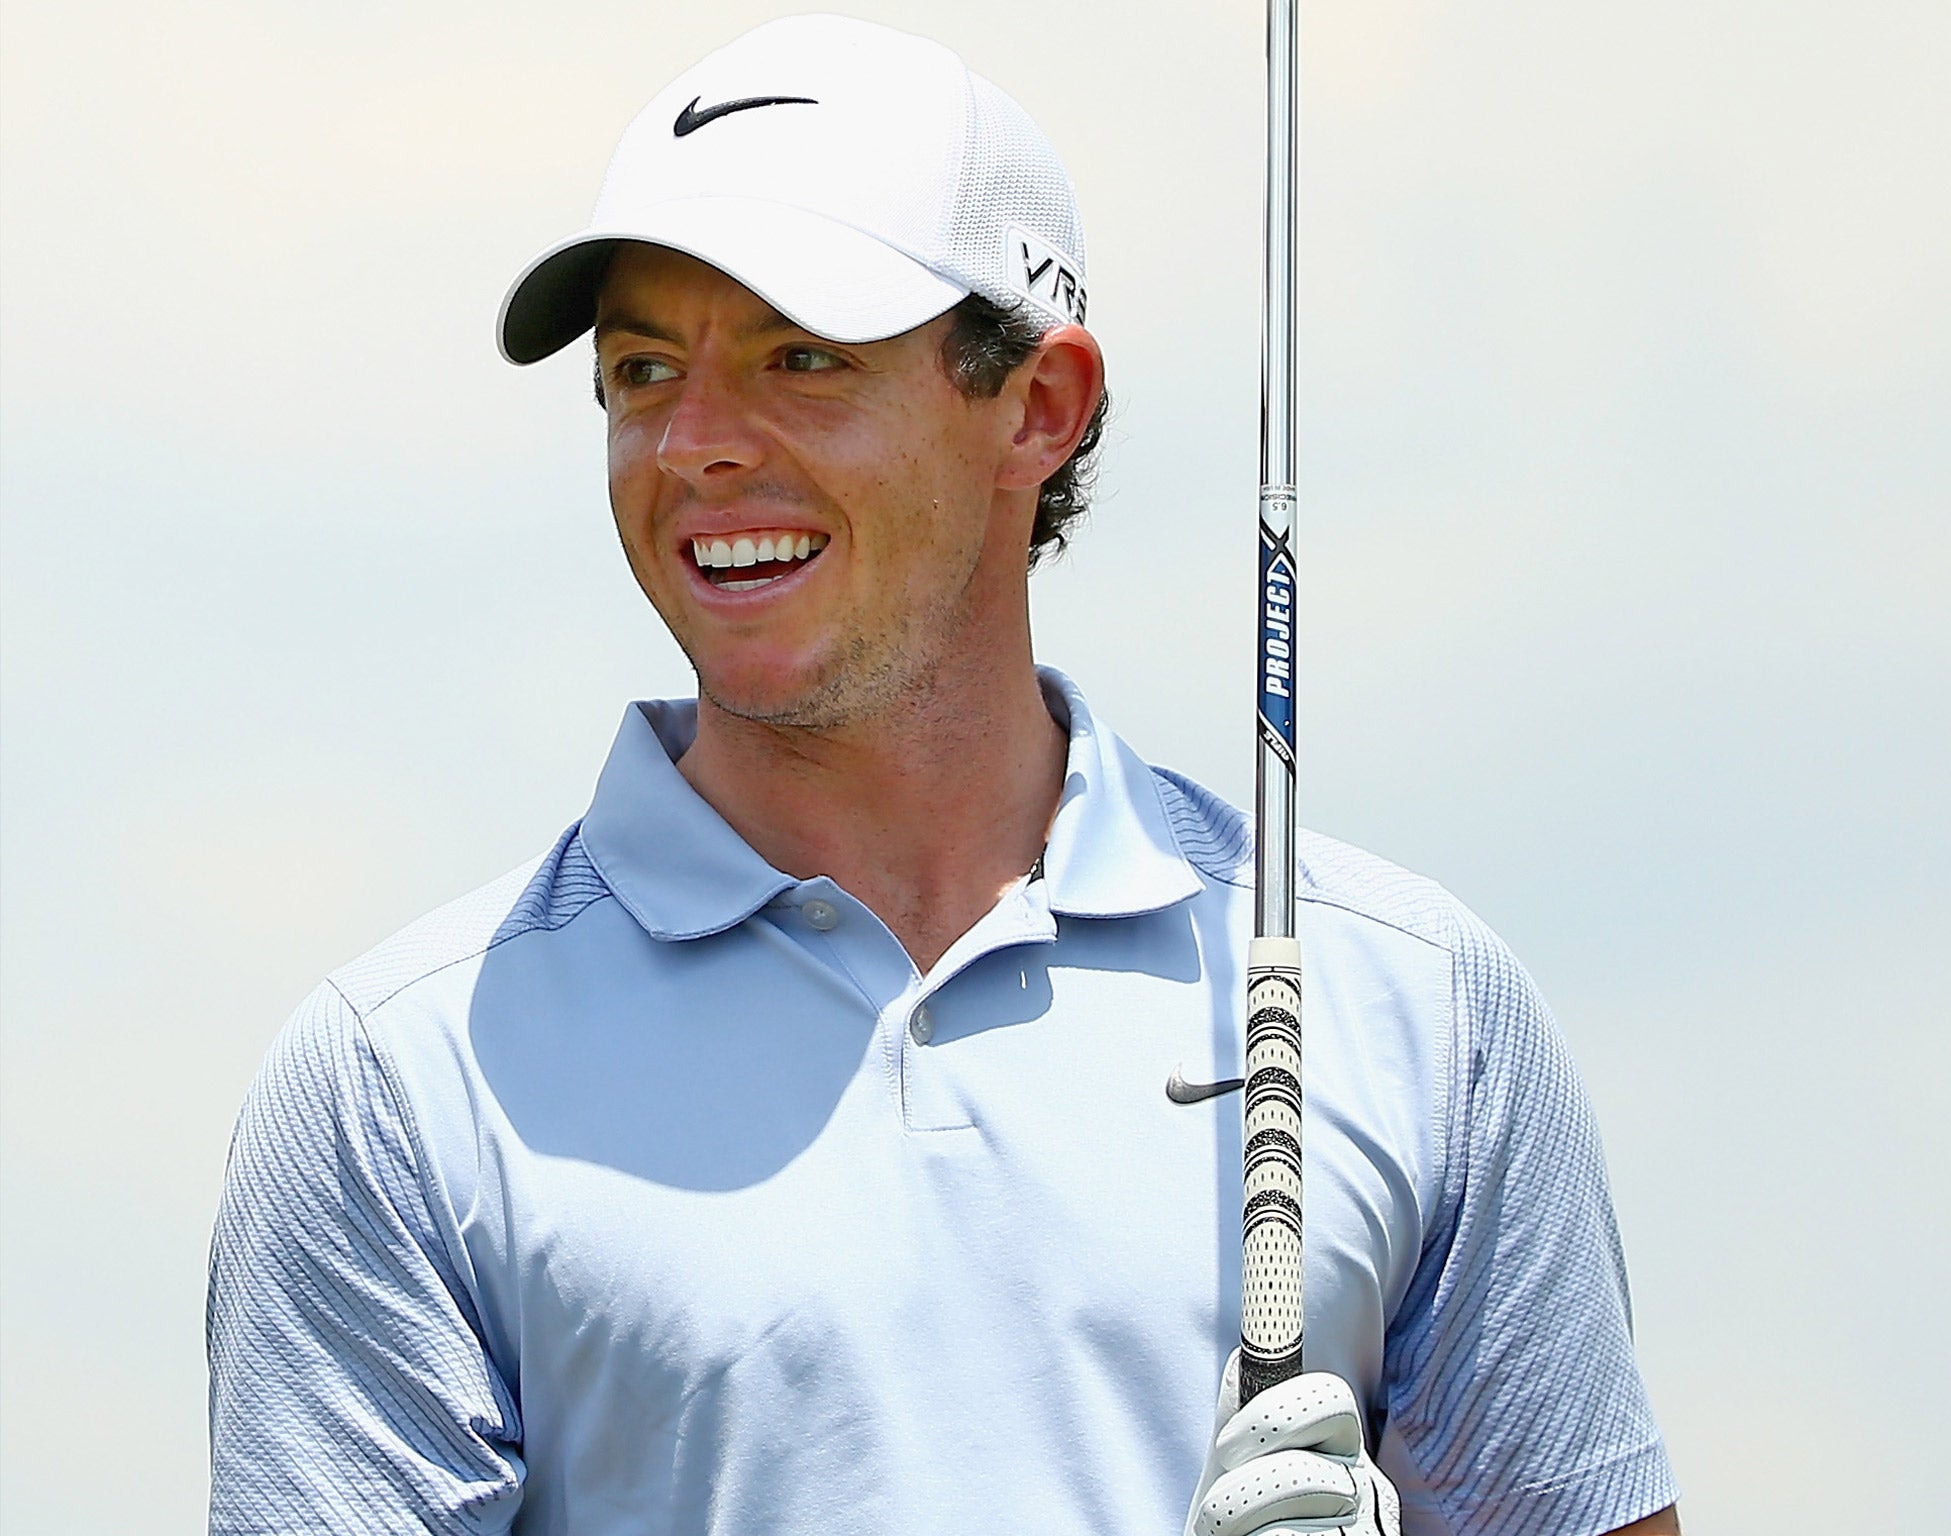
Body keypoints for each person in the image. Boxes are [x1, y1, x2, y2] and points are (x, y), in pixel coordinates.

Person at [207, 15, 1680, 1536]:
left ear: (1035, 408)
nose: (696, 445)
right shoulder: (395, 1083)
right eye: (644, 370)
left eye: (801, 359)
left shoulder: (1420, 1006)